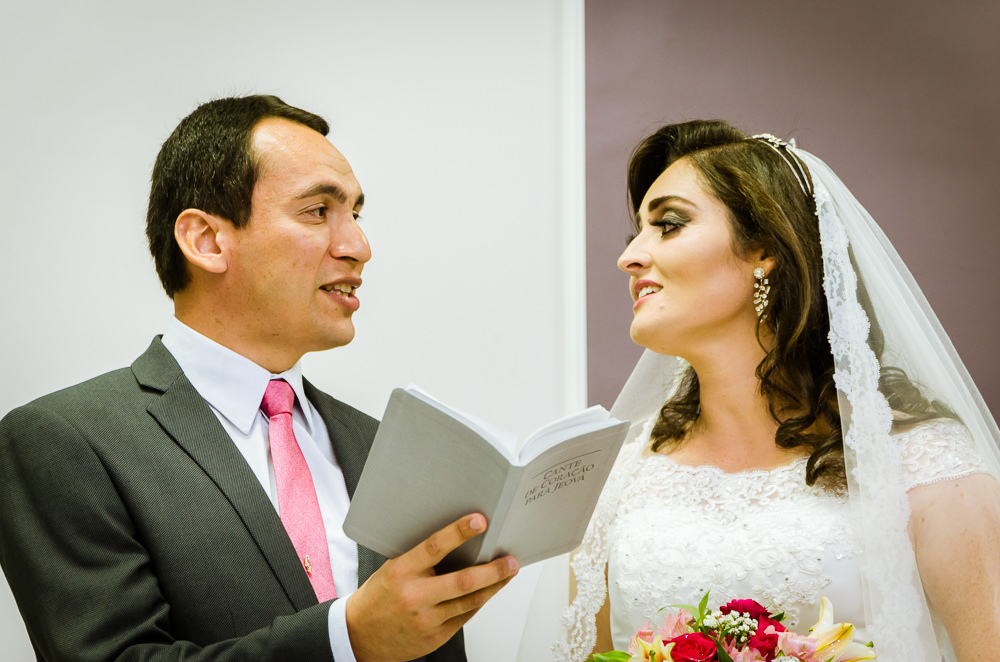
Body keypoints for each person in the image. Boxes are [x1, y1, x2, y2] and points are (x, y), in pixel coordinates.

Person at [0, 95, 519, 662]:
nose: (359, 248)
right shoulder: (64, 441)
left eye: (356, 214)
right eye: (317, 211)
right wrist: (347, 638)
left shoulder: (382, 446)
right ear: (206, 241)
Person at [553, 121, 1000, 662]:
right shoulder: (619, 482)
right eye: (635, 236)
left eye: (668, 225)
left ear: (764, 248)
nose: (629, 258)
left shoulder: (924, 465)